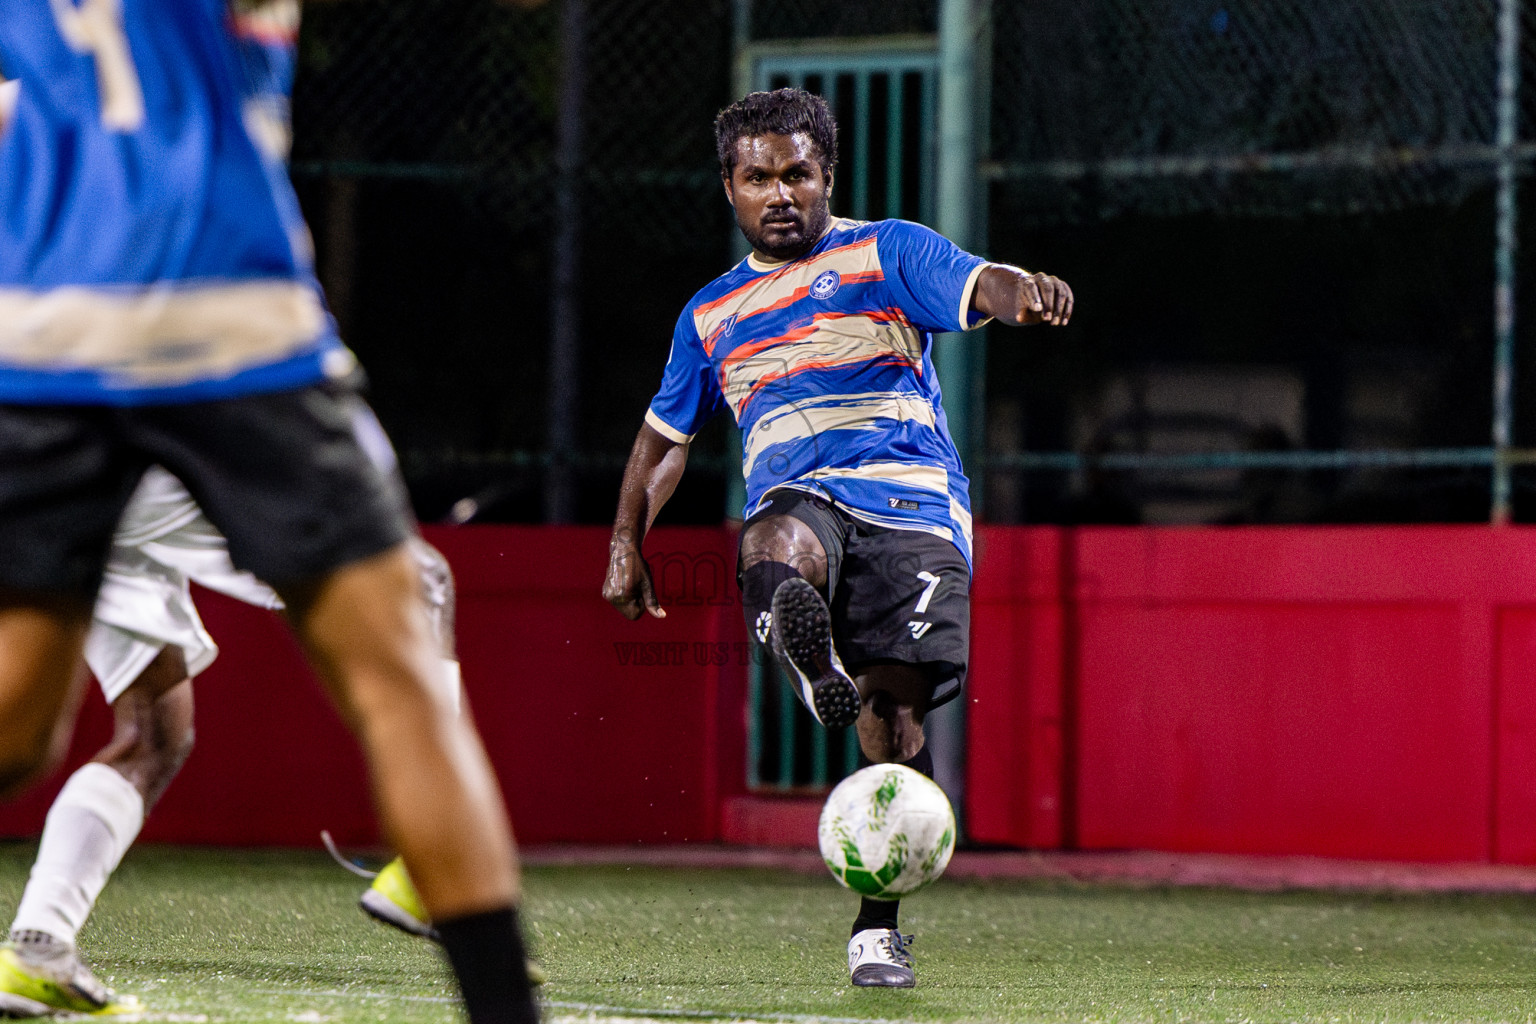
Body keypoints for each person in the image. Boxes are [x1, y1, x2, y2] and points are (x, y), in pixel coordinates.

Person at [0, 4, 536, 1023]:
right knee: (407, 659)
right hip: (227, 320)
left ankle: (39, 942)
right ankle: (464, 940)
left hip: (43, 349)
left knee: (48, 721)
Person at [602, 88, 1073, 989]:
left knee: (894, 714)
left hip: (915, 505)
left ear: (826, 176)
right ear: (730, 188)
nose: (779, 193)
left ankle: (877, 927)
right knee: (775, 537)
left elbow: (980, 281)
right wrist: (627, 536)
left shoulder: (886, 250)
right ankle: (809, 657)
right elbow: (665, 441)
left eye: (796, 174)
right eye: (756, 178)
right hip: (803, 493)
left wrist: (1026, 294)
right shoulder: (709, 315)